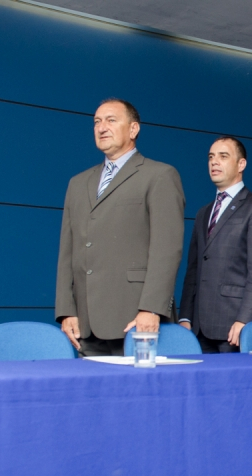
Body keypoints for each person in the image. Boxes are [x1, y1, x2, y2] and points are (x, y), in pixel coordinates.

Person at [55, 98, 185, 355]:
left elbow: (167, 249)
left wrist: (152, 308)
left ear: (134, 129)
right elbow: (67, 252)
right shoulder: (77, 183)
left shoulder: (160, 175)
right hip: (85, 324)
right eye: (97, 122)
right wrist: (66, 310)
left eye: (111, 120)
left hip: (136, 319)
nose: (102, 127)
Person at [179, 137, 252, 353]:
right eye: (211, 157)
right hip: (198, 328)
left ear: (241, 164)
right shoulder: (203, 212)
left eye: (223, 156)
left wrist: (245, 320)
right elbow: (193, 269)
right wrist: (185, 316)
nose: (214, 162)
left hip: (234, 327)